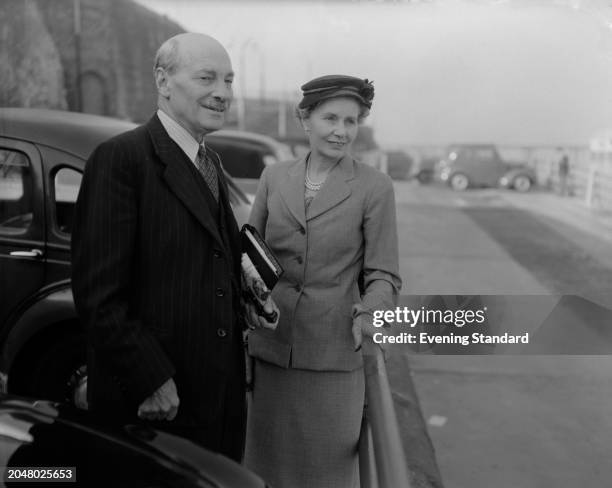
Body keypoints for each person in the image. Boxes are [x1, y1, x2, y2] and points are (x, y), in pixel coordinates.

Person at [71, 33, 246, 461]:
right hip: (157, 408)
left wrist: (247, 301)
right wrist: (149, 377)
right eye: (207, 78)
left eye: (228, 80)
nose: (222, 93)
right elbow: (98, 295)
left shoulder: (208, 161)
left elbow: (204, 260)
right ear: (163, 81)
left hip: (214, 401)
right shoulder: (121, 159)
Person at [244, 75, 402, 488]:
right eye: (330, 118)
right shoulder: (273, 178)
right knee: (264, 472)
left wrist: (371, 311)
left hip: (333, 356)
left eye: (351, 122)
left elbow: (383, 274)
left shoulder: (375, 187)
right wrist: (248, 300)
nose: (341, 131)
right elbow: (249, 258)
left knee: (325, 476)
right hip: (271, 351)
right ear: (305, 120)